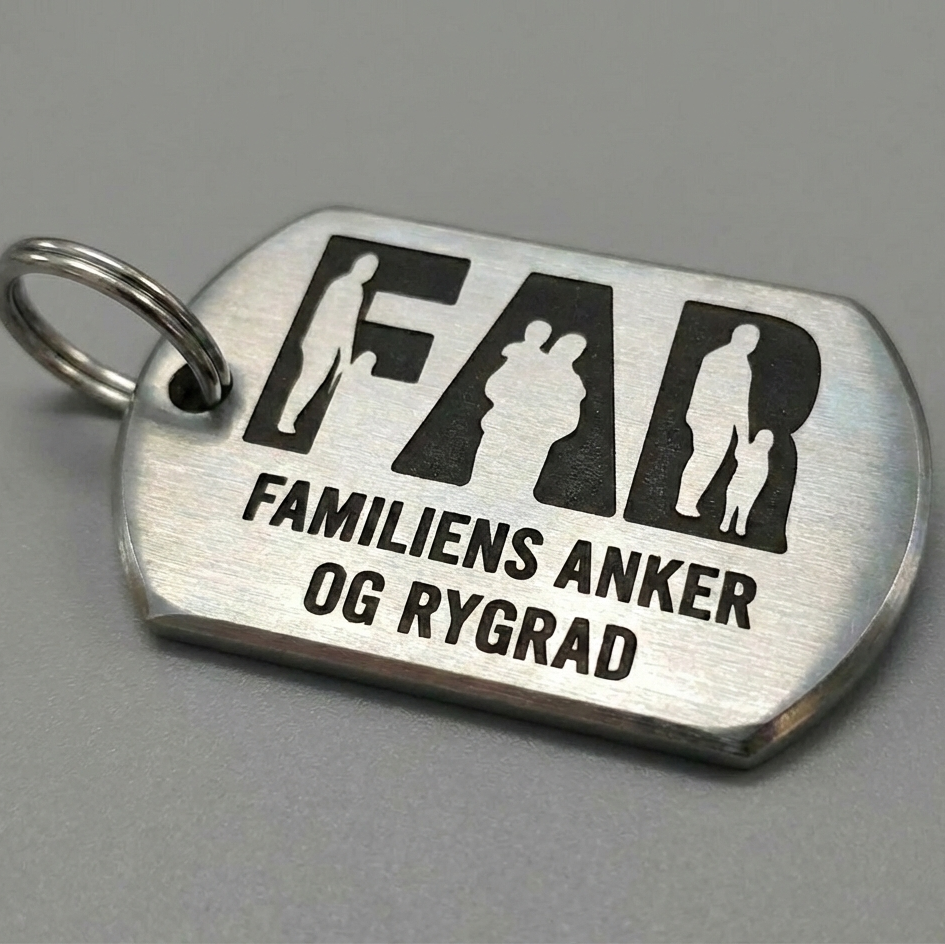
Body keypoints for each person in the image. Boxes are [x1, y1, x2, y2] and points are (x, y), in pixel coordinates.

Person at [473, 321, 587, 495]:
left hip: (532, 441)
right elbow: (496, 386)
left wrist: (543, 433)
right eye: (561, 346)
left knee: (517, 484)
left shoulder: (572, 383)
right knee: (483, 473)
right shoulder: (530, 364)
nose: (560, 351)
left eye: (568, 349)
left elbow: (568, 419)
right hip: (502, 425)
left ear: (575, 355)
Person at [277, 253, 379, 434]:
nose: (368, 274)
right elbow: (346, 324)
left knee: (310, 380)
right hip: (323, 343)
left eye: (372, 271)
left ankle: (288, 418)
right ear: (358, 266)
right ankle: (286, 419)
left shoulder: (340, 283)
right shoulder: (351, 288)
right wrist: (345, 354)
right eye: (367, 269)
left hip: (319, 341)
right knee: (310, 381)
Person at [675, 323, 761, 518]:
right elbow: (738, 404)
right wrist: (743, 437)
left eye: (753, 341)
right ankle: (685, 502)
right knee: (706, 459)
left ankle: (687, 501)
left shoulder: (721, 357)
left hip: (709, 418)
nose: (751, 345)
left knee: (705, 459)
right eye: (749, 340)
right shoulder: (736, 364)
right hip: (713, 419)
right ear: (738, 337)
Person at [721, 428, 773, 536]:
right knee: (731, 503)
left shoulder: (763, 457)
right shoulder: (750, 450)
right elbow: (740, 455)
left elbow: (762, 475)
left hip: (750, 487)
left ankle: (739, 525)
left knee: (745, 507)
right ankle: (727, 521)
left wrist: (755, 488)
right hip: (738, 482)